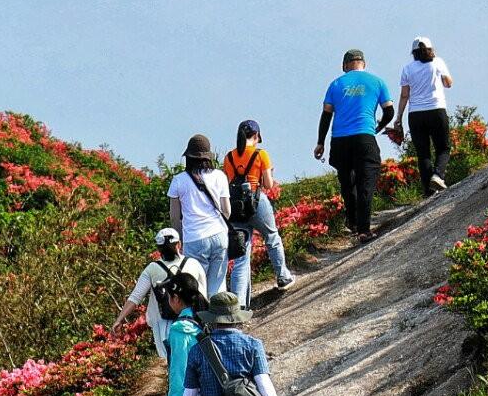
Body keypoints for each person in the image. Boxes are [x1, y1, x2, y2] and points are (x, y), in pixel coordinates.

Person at [313, 49, 394, 241]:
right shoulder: (377, 82)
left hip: (340, 140)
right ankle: (363, 229)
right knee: (366, 181)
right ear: (363, 64)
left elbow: (326, 115)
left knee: (347, 182)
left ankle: (352, 221)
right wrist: (378, 127)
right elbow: (389, 111)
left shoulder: (336, 84)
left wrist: (320, 142)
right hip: (365, 136)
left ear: (345, 65)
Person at [221, 121, 295, 297]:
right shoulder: (261, 154)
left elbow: (228, 182)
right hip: (256, 201)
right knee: (271, 236)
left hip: (235, 205)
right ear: (256, 136)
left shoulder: (228, 157)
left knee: (241, 252)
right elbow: (268, 185)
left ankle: (239, 301)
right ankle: (283, 276)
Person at [116, 226, 208, 360]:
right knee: (192, 360)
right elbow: (203, 294)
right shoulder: (193, 264)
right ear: (179, 245)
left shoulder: (152, 269)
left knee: (171, 361)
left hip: (164, 324)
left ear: (158, 250)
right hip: (192, 320)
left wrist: (119, 320)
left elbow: (135, 297)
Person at [165, 134, 233, 298]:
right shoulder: (219, 176)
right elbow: (227, 211)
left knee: (198, 287)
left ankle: (202, 323)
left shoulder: (179, 180)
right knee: (217, 286)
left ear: (188, 157)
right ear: (208, 156)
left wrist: (179, 240)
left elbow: (175, 217)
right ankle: (218, 321)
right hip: (219, 235)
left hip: (194, 239)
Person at [399, 38, 455, 196]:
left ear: (414, 53)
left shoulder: (407, 69)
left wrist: (398, 117)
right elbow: (449, 83)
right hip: (436, 109)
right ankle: (438, 175)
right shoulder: (438, 62)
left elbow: (404, 95)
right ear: (431, 49)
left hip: (415, 114)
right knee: (443, 148)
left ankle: (428, 191)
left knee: (423, 153)